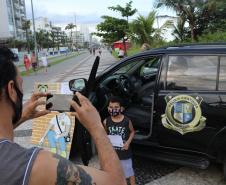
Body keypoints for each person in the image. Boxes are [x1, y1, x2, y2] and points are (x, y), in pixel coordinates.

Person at [0, 46, 126, 185]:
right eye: (21, 84)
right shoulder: (38, 165)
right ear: (12, 90)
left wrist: (22, 117)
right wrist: (96, 127)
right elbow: (117, 181)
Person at [103, 96, 136, 185]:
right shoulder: (106, 121)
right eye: (111, 107)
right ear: (108, 108)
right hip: (113, 153)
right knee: (114, 173)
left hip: (124, 153)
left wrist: (128, 143)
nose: (113, 109)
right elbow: (106, 135)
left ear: (121, 109)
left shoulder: (126, 121)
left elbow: (132, 132)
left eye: (116, 107)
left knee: (129, 172)